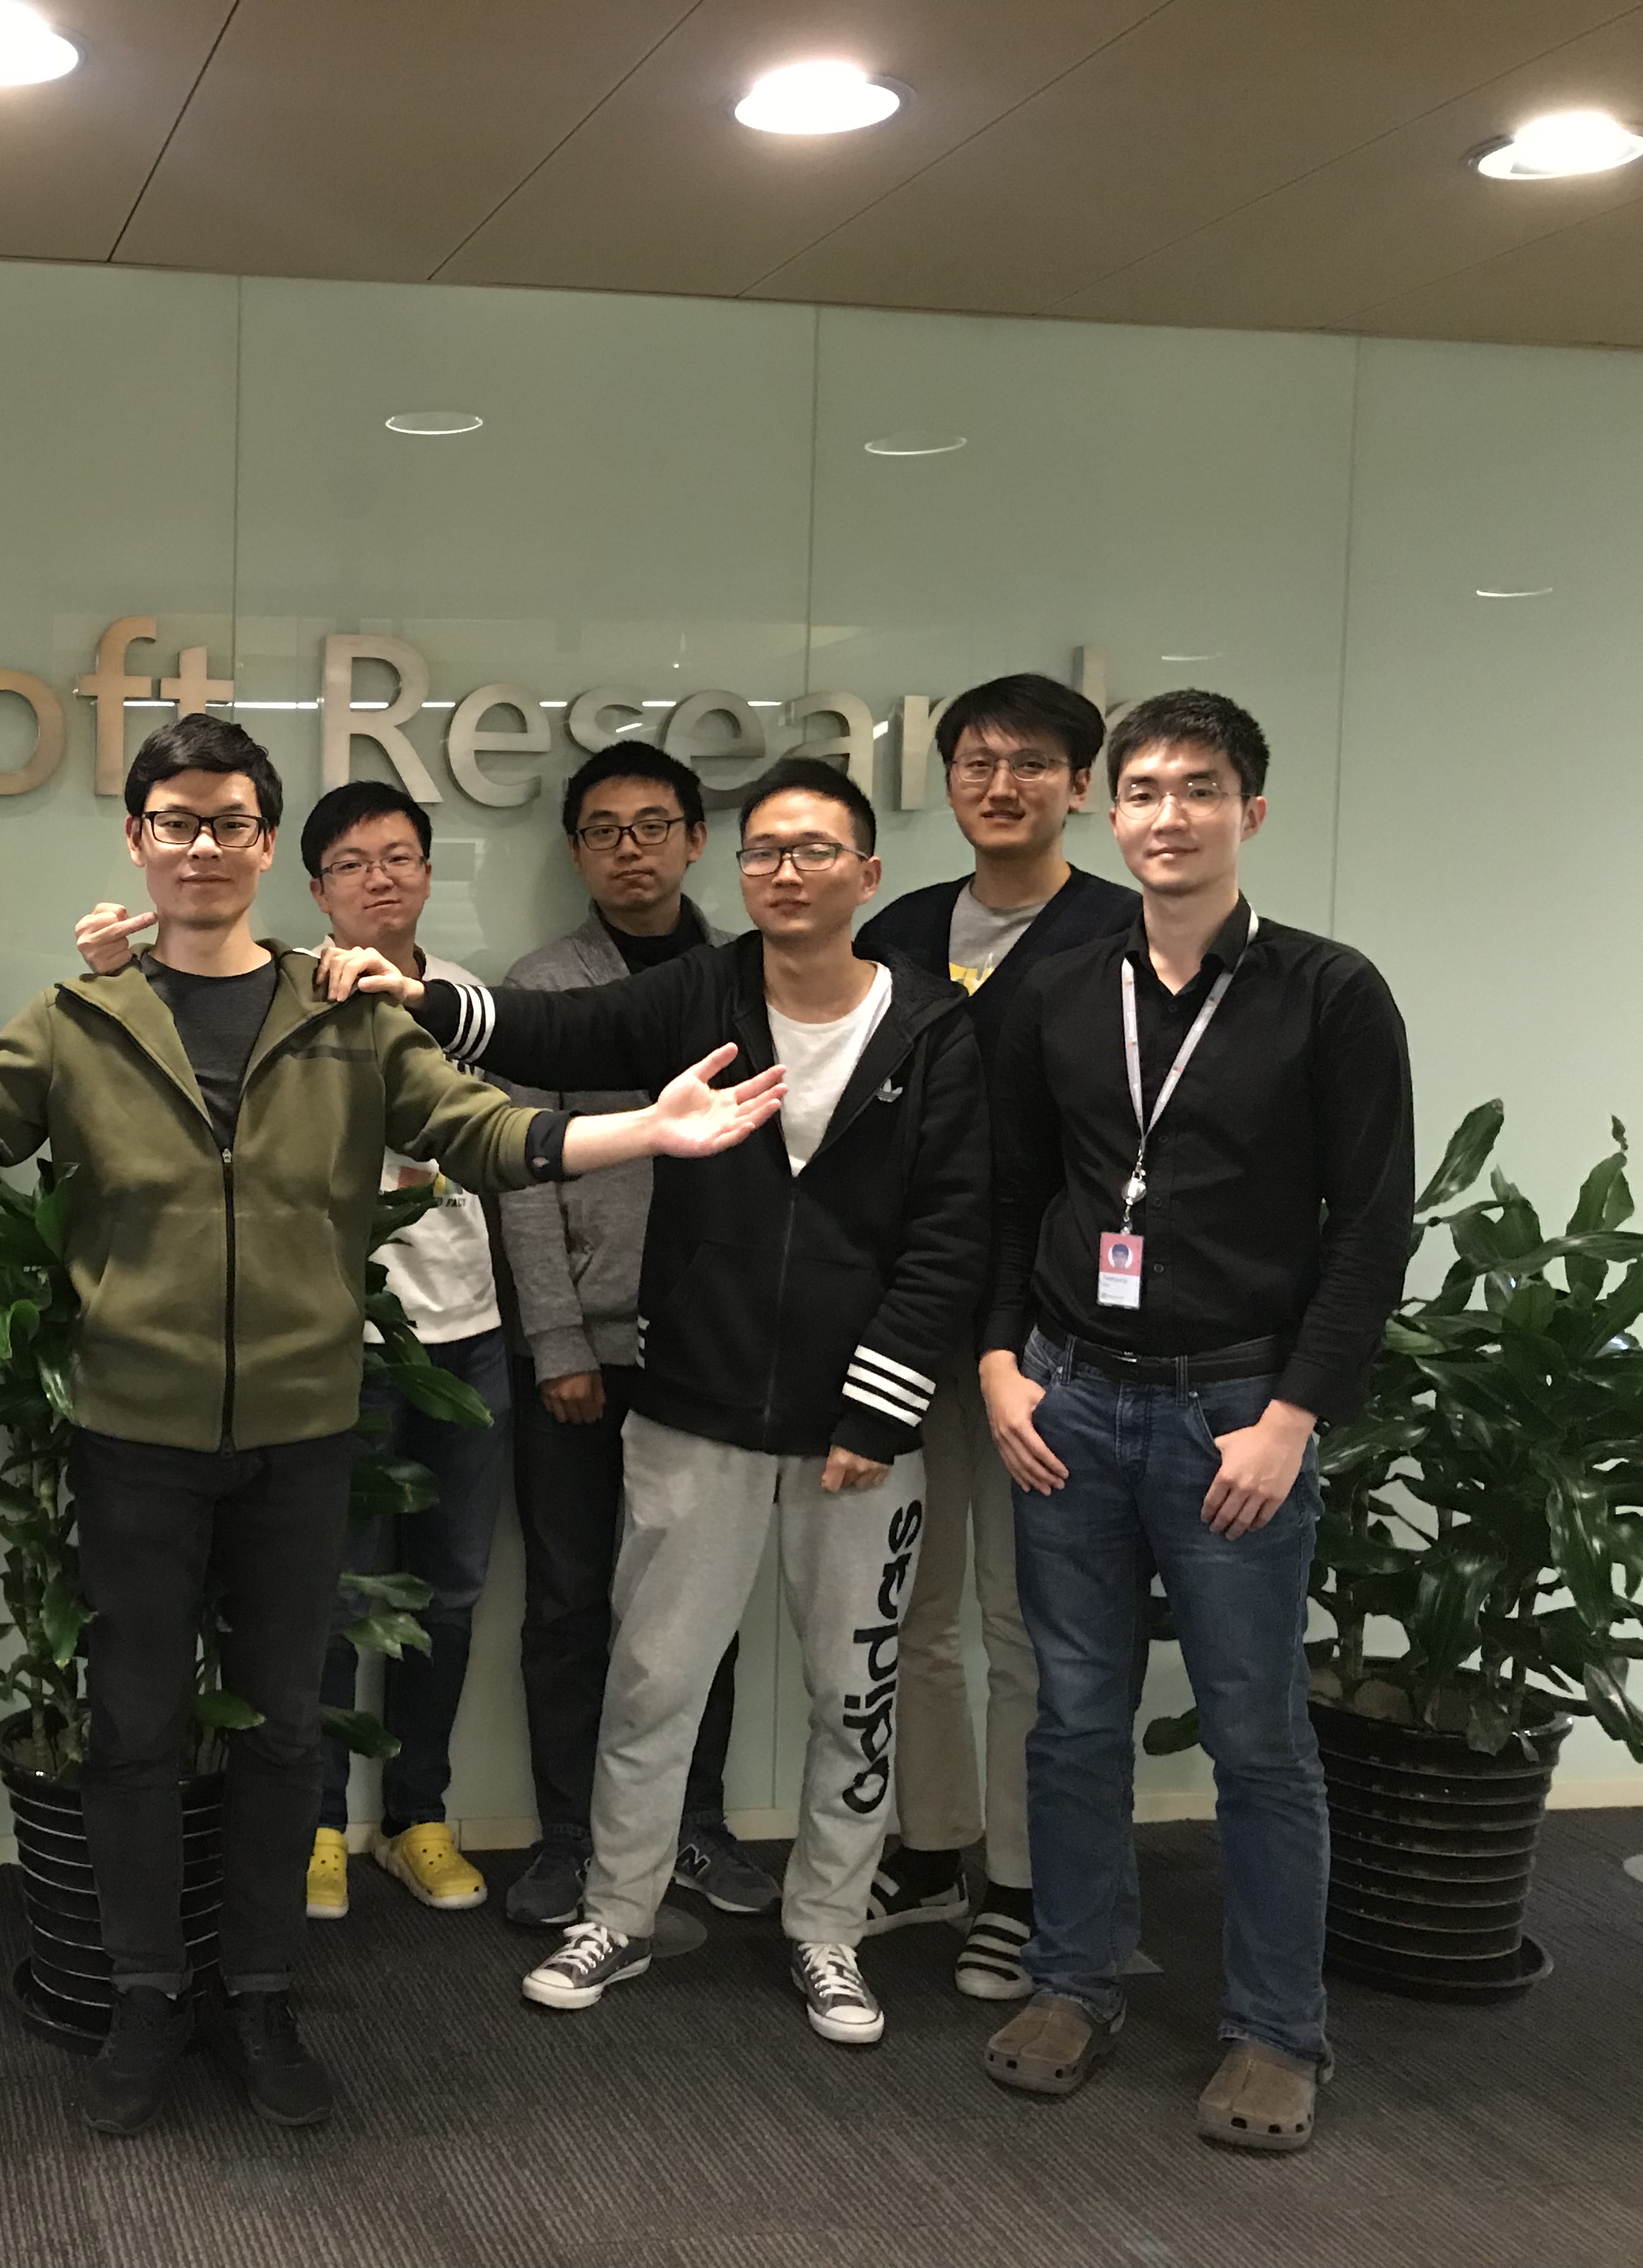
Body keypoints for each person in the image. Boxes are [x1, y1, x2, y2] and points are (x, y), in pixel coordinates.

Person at [0, 715, 782, 2138]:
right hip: (133, 1432)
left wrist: (641, 1133)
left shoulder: (346, 1012)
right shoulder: (82, 1020)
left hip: (303, 1427)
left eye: (230, 822)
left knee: (285, 1733)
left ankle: (264, 1995)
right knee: (135, 1730)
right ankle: (152, 1992)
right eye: (177, 822)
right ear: (137, 840)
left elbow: (490, 1133)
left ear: (265, 843)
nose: (204, 847)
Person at [326, 756, 991, 2049]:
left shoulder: (933, 1028)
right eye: (765, 854)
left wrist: (880, 1409)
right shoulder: (704, 990)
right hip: (693, 1405)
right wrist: (424, 996)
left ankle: (829, 1931)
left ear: (867, 873)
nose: (784, 872)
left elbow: (953, 1232)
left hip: (863, 1433)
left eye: (814, 851)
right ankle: (619, 1912)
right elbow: (551, 1033)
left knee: (854, 1692)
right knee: (650, 1677)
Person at [976, 689, 1411, 2153]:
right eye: (1147, 790)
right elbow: (1006, 1195)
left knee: (1256, 1737)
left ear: (1251, 815)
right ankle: (1073, 1982)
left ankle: (1279, 2031)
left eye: (1202, 791)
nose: (1170, 815)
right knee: (1078, 1716)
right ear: (1112, 811)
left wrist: (1294, 1417)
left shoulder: (1327, 993)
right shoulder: (1059, 985)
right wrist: (997, 1366)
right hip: (1071, 1407)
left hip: (1237, 1417)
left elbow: (1372, 1229)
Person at [854, 674, 1134, 1996]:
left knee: (1025, 1622)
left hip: (1050, 1340)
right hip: (914, 1318)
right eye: (976, 759)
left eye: (1032, 762)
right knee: (911, 1606)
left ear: (1079, 785)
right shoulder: (904, 927)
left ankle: (1022, 1886)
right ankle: (929, 1850)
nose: (1001, 782)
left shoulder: (1125, 936)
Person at [491, 743, 777, 1931]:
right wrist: (557, 1338)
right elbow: (516, 1174)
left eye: (654, 825)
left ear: (697, 840)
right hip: (581, 1349)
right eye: (604, 830)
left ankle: (690, 1828)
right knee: (568, 1601)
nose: (631, 848)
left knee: (695, 1604)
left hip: (708, 1352)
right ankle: (569, 1839)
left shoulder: (749, 977)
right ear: (575, 852)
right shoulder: (546, 985)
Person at [288, 780, 512, 1924]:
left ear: (428, 872)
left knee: (453, 1591)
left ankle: (417, 1814)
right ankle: (320, 1821)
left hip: (468, 1336)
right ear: (316, 888)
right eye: (353, 863)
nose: (381, 878)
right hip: (346, 1340)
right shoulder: (286, 1003)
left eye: (400, 857)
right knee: (337, 1591)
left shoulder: (475, 1008)